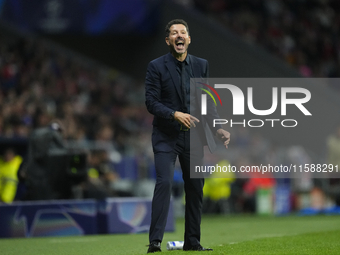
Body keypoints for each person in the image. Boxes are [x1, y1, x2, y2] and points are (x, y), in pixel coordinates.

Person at [145, 19, 230, 253]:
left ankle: (192, 242)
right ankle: (155, 242)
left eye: (183, 32)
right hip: (165, 136)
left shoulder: (201, 65)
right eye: (174, 33)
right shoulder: (156, 66)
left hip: (193, 137)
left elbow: (207, 102)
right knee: (164, 183)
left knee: (195, 187)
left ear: (189, 39)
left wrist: (218, 127)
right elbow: (151, 102)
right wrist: (174, 114)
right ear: (168, 40)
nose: (179, 35)